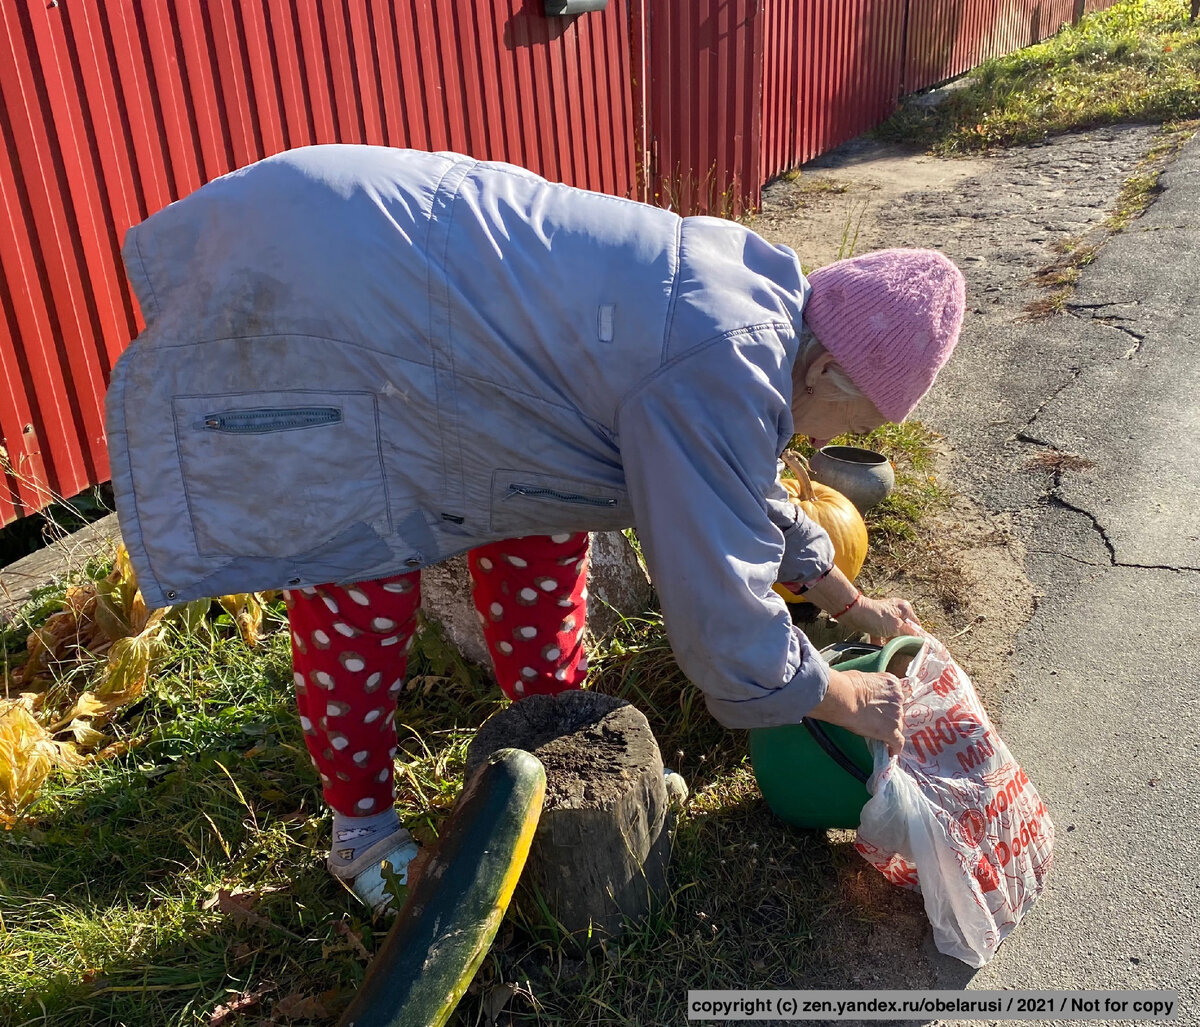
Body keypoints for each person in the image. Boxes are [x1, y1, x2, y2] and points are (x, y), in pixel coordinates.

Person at [105, 145, 965, 912]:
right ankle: (360, 832)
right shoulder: (727, 359)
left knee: (543, 541)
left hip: (456, 348)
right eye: (848, 414)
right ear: (822, 364)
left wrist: (849, 602)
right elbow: (720, 605)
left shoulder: (764, 307)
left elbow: (742, 488)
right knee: (360, 575)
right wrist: (847, 696)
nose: (820, 441)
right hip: (342, 300)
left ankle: (561, 756)